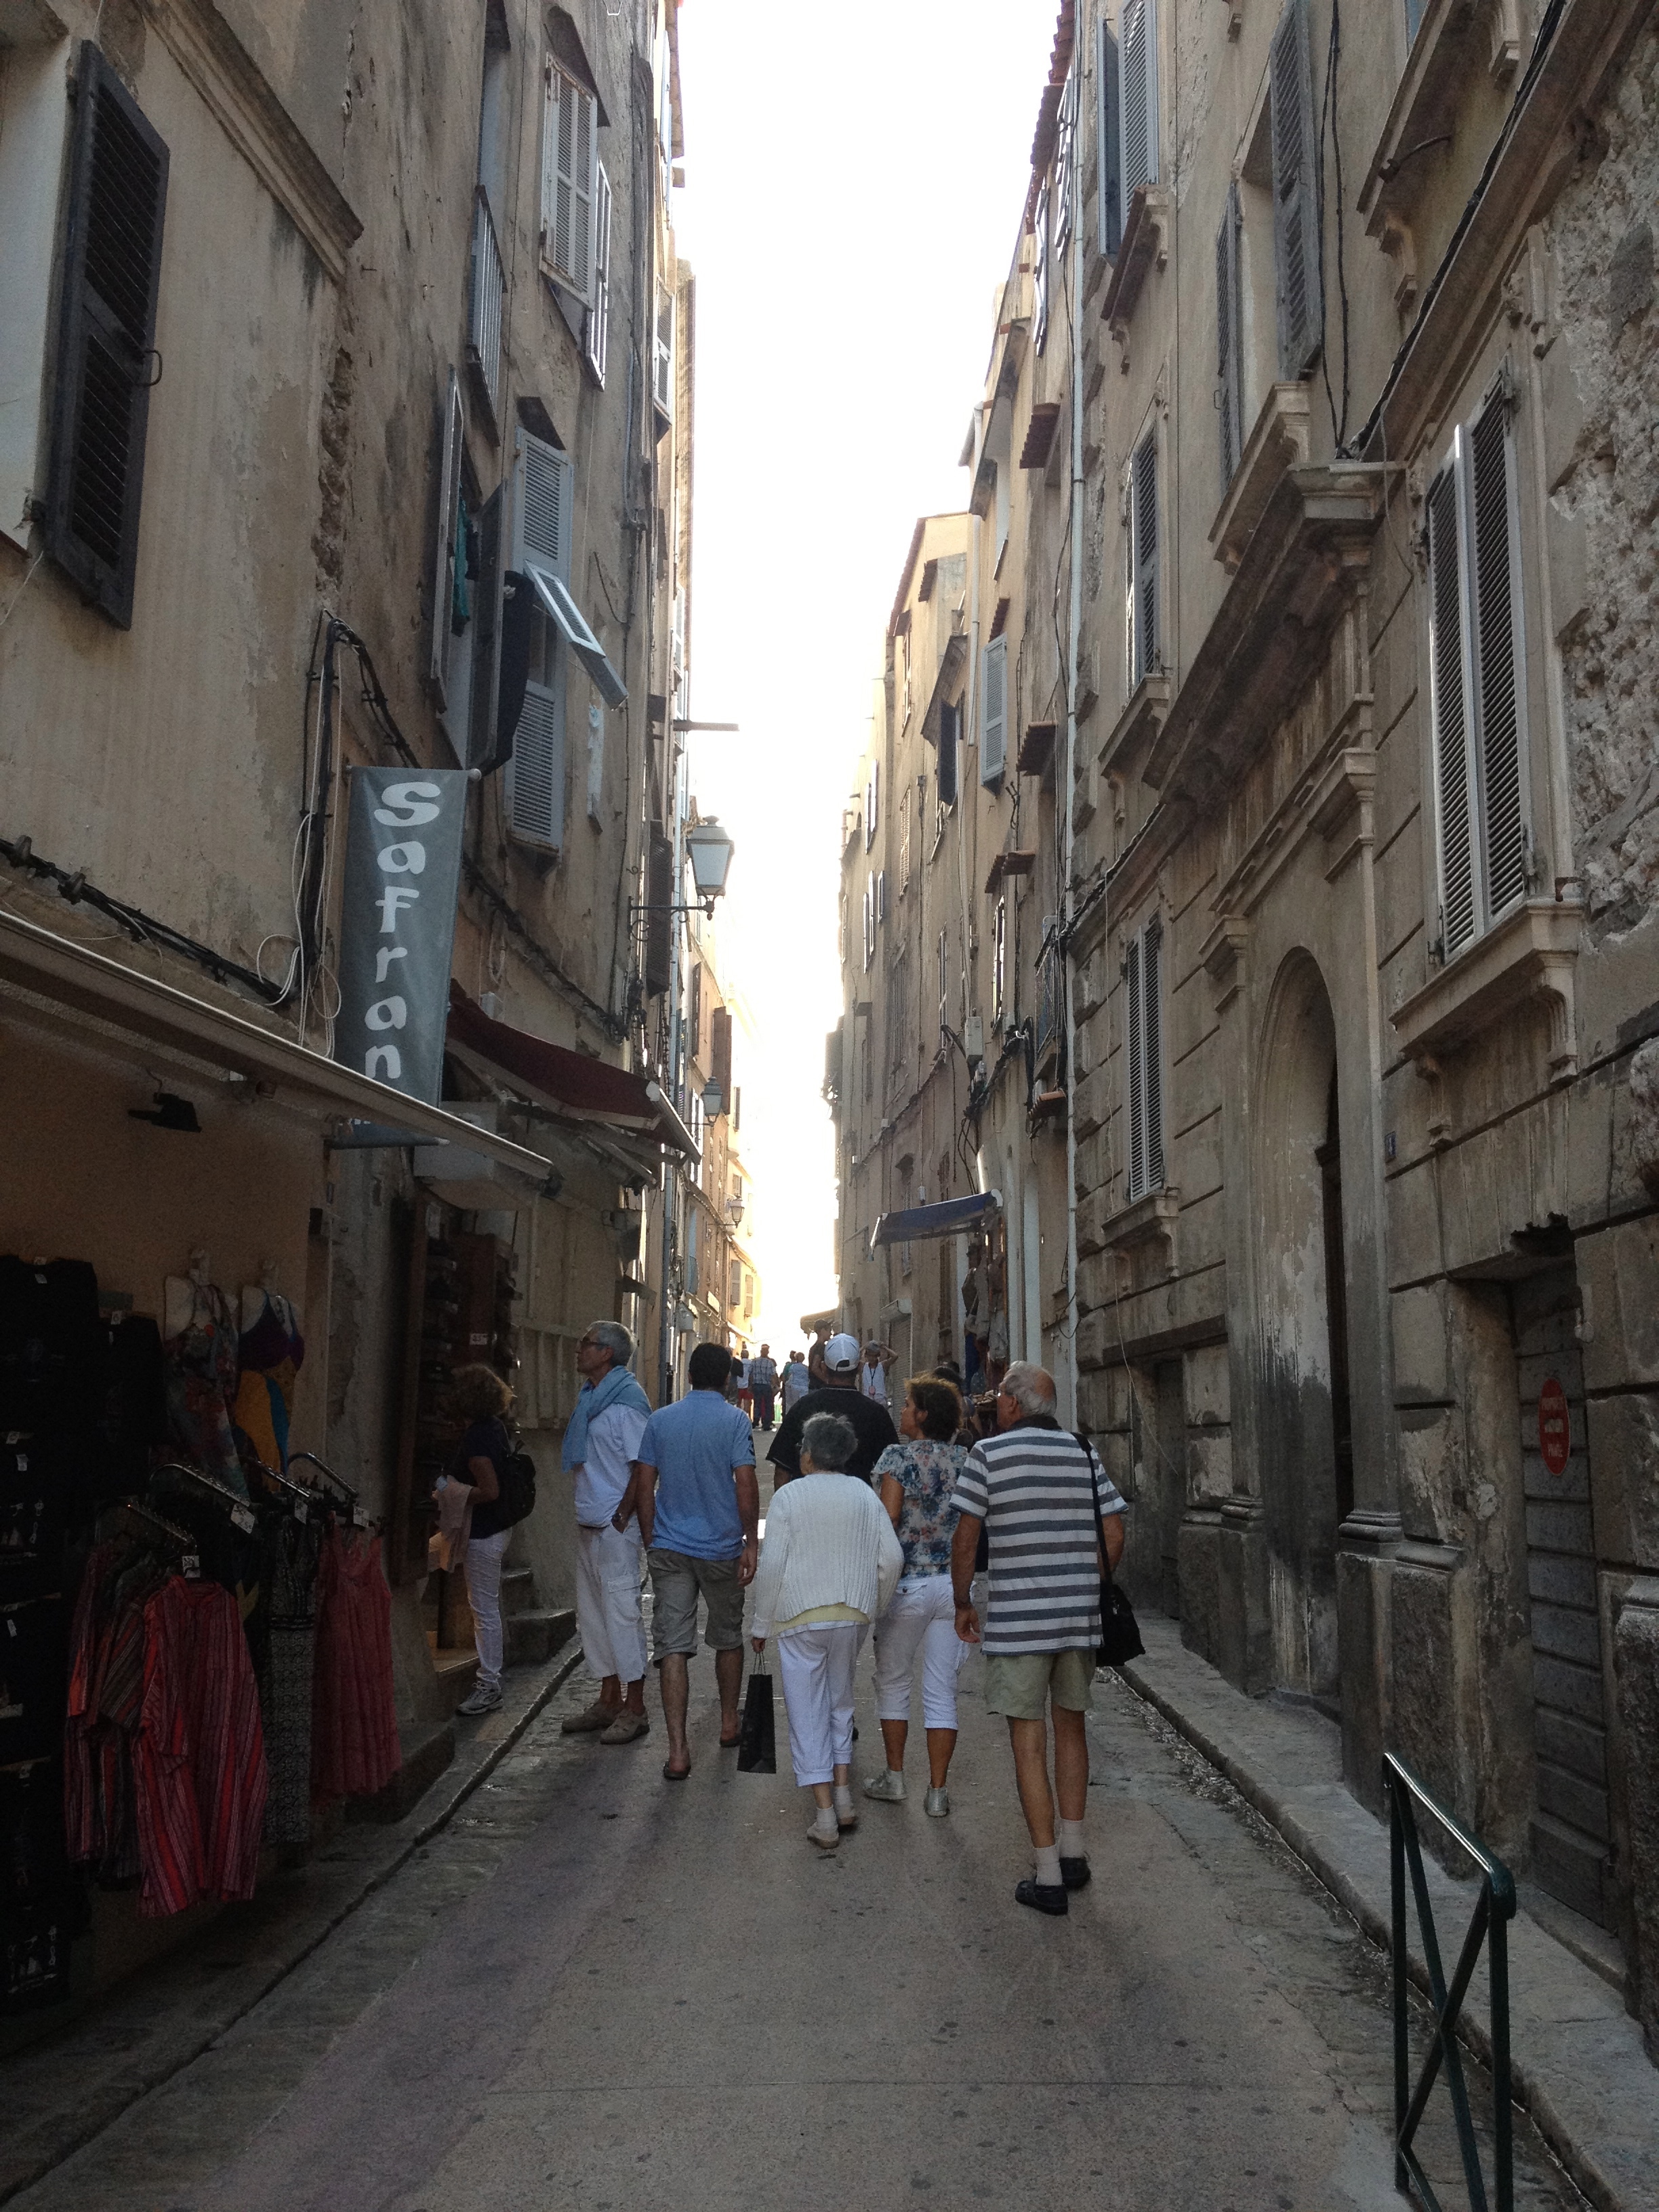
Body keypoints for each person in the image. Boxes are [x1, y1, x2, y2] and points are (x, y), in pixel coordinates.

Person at [950, 1361, 1126, 1917]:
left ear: (1012, 1405)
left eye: (1000, 1395)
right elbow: (1115, 1529)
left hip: (1021, 1619)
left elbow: (967, 1535)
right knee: (1071, 1727)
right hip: (1077, 1619)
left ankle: (1047, 1873)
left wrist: (962, 1602)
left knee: (1029, 1738)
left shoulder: (988, 1455)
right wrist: (1085, 1581)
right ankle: (1074, 1853)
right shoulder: (1082, 1451)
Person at [749, 1412, 903, 1850]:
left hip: (800, 1617)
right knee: (840, 1703)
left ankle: (825, 1816)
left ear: (810, 1454)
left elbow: (773, 1565)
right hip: (851, 1616)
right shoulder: (863, 1494)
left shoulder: (789, 1498)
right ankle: (843, 1795)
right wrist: (875, 1605)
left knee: (806, 1711)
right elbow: (891, 1560)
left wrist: (761, 1623)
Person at [622, 1342, 759, 1780]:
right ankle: (728, 1723)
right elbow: (745, 1483)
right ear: (726, 1380)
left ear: (689, 1376)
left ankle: (678, 1751)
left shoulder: (661, 1421)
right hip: (720, 1548)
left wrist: (650, 1537)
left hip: (670, 1549)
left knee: (672, 1646)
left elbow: (645, 1483)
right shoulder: (735, 1421)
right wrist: (750, 1542)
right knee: (727, 1637)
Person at [863, 1375, 970, 1816]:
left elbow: (888, 1514)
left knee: (893, 1680)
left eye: (908, 1405)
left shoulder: (898, 1457)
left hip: (907, 1584)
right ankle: (938, 1792)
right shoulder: (966, 1459)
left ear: (923, 1415)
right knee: (942, 1689)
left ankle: (895, 1778)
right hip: (953, 1587)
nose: (902, 1411)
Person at [558, 1319, 653, 1746]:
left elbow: (643, 1465)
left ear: (607, 1354)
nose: (580, 1349)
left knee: (622, 1614)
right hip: (590, 1521)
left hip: (615, 1525)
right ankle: (608, 1697)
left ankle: (635, 1707)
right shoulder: (593, 1397)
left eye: (587, 1343)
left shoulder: (627, 1404)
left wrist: (623, 1514)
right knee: (593, 1616)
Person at [440, 1364, 520, 1717]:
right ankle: (490, 1680)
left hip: (483, 1532)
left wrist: (449, 1490)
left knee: (484, 1609)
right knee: (485, 1605)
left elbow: (489, 1491)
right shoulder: (495, 1428)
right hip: (495, 1529)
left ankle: (489, 1684)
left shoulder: (477, 1440)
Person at [767, 1332, 898, 1488]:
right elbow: (893, 1471)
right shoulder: (876, 1413)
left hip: (807, 1506)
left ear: (824, 1367)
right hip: (856, 1507)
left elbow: (782, 1469)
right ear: (858, 1369)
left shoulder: (803, 1407)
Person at [748, 1343, 779, 1431]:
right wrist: (774, 1386)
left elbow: (750, 1374)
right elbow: (773, 1375)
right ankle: (766, 1424)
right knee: (767, 1405)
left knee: (757, 1404)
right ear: (768, 1352)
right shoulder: (770, 1362)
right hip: (766, 1386)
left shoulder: (754, 1361)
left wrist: (750, 1385)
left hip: (756, 1385)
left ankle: (756, 1421)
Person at [859, 1340, 898, 1408]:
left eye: (874, 1356)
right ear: (866, 1356)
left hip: (881, 1400)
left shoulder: (882, 1366)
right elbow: (853, 1359)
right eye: (869, 1356)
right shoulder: (863, 1367)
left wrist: (885, 1348)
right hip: (867, 1400)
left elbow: (895, 1356)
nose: (871, 1358)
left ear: (877, 1356)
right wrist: (864, 1347)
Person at [780, 1350, 812, 1414]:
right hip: (805, 1387)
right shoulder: (806, 1368)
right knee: (804, 1404)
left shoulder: (792, 1366)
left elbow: (789, 1376)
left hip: (795, 1386)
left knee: (794, 1403)